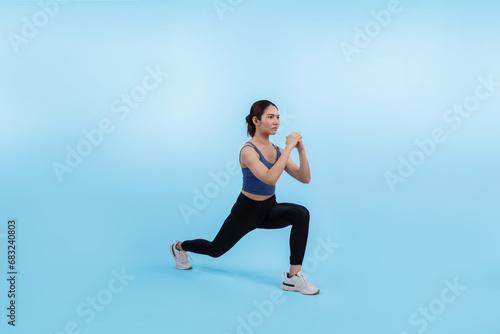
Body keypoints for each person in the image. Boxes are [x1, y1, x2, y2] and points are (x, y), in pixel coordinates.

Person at [170, 100, 319, 295]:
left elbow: (305, 178)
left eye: (278, 117)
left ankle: (293, 278)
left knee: (301, 214)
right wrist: (289, 147)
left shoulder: (278, 151)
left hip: (268, 209)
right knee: (215, 250)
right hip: (246, 212)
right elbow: (270, 178)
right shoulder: (248, 151)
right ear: (256, 121)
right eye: (270, 117)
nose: (276, 122)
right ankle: (180, 247)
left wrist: (300, 149)